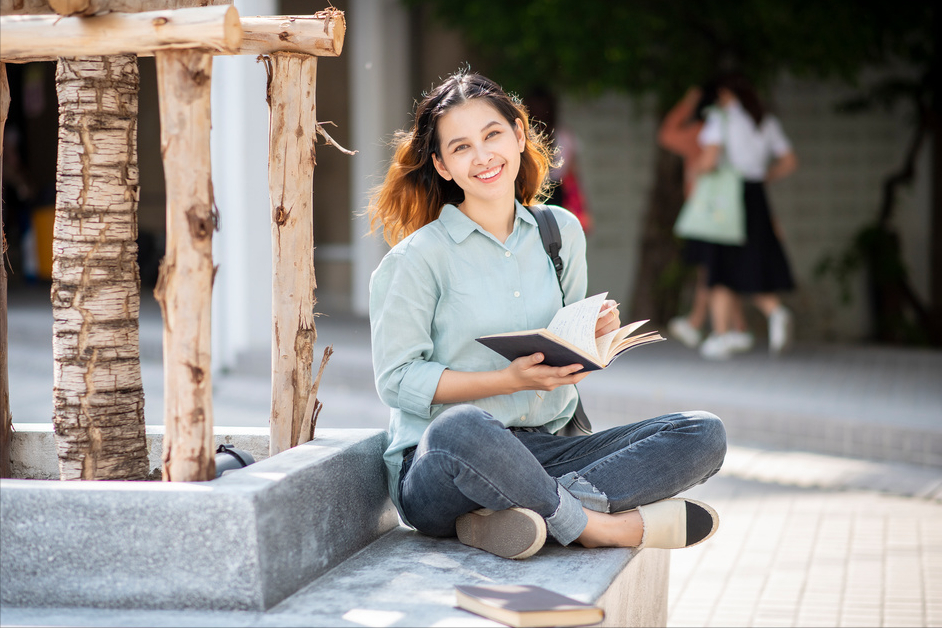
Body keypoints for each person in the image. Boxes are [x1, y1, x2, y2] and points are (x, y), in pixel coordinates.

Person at [366, 68, 727, 561]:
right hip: (443, 465)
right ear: (443, 166)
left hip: (547, 451)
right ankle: (596, 527)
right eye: (461, 147)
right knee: (461, 427)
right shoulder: (417, 258)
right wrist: (509, 380)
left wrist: (590, 340)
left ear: (519, 136)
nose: (483, 156)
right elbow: (397, 380)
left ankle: (514, 514)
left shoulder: (560, 232)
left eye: (492, 135)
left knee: (701, 432)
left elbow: (561, 367)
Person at [695, 73, 798, 360]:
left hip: (728, 198)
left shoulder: (721, 119)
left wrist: (697, 171)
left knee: (720, 265)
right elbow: (789, 161)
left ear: (727, 93)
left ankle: (721, 335)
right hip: (756, 196)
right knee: (748, 260)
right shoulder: (766, 121)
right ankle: (773, 313)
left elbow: (709, 159)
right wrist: (765, 176)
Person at [659, 83, 752, 355]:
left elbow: (667, 133)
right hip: (732, 208)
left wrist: (688, 102)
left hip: (708, 212)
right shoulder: (739, 129)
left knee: (713, 268)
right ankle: (733, 327)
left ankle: (711, 326)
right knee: (716, 268)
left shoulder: (704, 131)